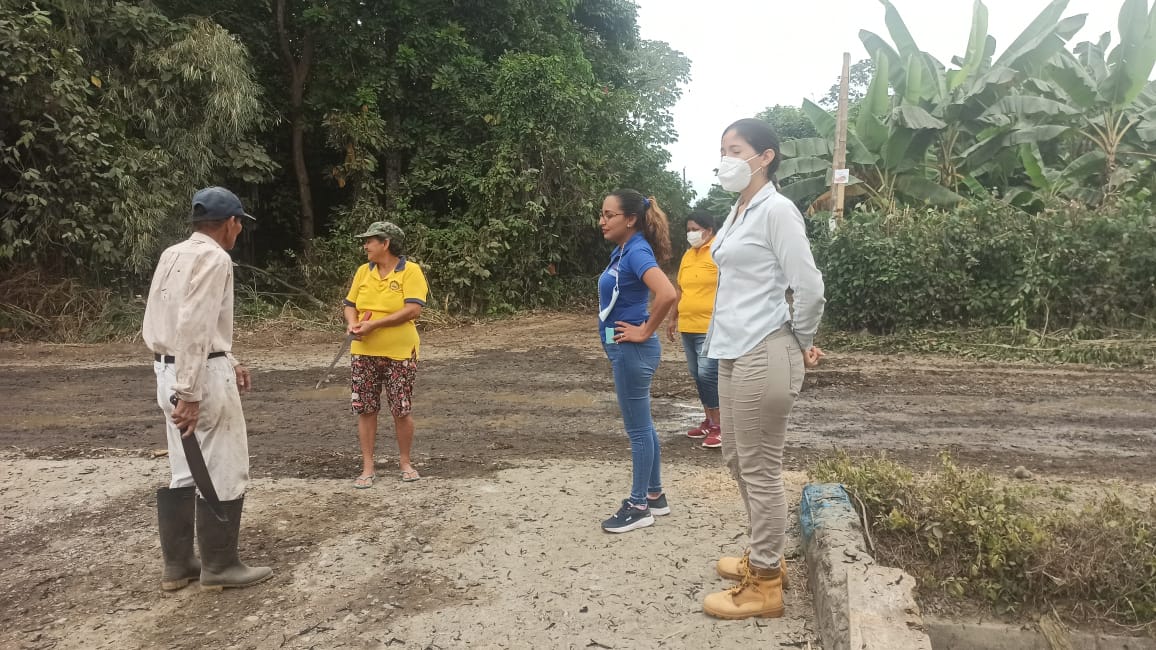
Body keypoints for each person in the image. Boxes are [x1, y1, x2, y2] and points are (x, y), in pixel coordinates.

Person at [700, 119, 826, 620]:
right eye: (722, 150)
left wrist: (801, 341)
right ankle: (763, 551)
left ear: (765, 156)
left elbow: (809, 287)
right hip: (734, 350)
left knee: (760, 467)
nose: (726, 159)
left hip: (764, 348)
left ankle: (766, 584)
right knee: (737, 458)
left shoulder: (777, 210)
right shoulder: (739, 210)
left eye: (735, 149)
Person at [143, 186, 272, 591]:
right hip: (197, 374)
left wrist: (227, 358)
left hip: (166, 368)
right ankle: (220, 565)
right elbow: (195, 324)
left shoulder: (172, 253)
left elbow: (172, 319)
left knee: (184, 467)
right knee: (226, 466)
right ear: (231, 222)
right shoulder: (216, 258)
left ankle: (179, 565)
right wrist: (191, 392)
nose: (240, 231)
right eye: (240, 224)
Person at [597, 189, 678, 533]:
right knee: (643, 425)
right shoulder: (624, 250)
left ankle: (638, 505)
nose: (602, 221)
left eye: (609, 215)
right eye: (601, 214)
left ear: (630, 219)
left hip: (633, 351)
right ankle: (654, 495)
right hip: (625, 349)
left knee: (638, 429)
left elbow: (668, 293)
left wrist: (644, 331)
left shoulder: (636, 251)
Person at [343, 221, 429, 487]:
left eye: (370, 241)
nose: (365, 246)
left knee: (400, 408)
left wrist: (375, 325)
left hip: (400, 351)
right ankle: (368, 467)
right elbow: (350, 305)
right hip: (363, 350)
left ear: (386, 243)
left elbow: (413, 310)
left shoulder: (410, 271)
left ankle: (405, 462)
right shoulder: (363, 271)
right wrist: (352, 324)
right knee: (366, 409)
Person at [666, 209, 722, 449]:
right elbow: (680, 289)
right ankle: (709, 421)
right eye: (688, 230)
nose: (691, 234)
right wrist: (672, 318)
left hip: (710, 326)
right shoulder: (688, 255)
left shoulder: (719, 251)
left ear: (708, 230)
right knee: (697, 374)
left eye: (695, 229)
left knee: (708, 374)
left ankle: (720, 426)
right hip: (688, 325)